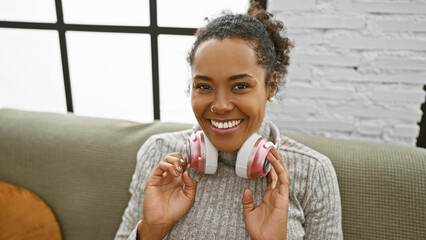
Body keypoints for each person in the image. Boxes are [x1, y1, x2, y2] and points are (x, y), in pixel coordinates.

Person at [115, 2, 342, 239]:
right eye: (204, 86)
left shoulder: (314, 173)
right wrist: (151, 230)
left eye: (240, 86)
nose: (220, 105)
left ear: (270, 86)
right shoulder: (159, 155)